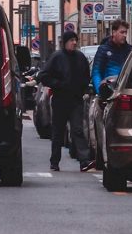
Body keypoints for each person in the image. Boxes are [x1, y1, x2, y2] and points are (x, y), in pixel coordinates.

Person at [38, 30, 92, 172]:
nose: (74, 43)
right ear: (65, 42)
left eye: (75, 40)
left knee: (77, 130)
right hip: (60, 100)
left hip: (76, 100)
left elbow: (87, 76)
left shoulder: (80, 57)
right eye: (71, 40)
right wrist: (58, 84)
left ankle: (84, 161)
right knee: (58, 131)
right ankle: (54, 161)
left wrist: (84, 88)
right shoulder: (57, 57)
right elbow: (43, 76)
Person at [92, 19, 132, 94]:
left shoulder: (130, 50)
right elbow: (96, 72)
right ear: (114, 32)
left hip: (125, 92)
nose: (124, 35)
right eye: (122, 32)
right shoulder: (103, 50)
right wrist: (100, 91)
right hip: (108, 92)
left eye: (125, 32)